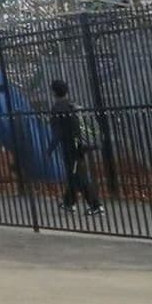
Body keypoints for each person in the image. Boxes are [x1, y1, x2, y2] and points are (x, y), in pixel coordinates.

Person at [48, 79, 103, 217]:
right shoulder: (73, 106)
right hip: (80, 146)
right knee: (74, 174)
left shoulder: (57, 109)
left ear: (54, 92)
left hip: (70, 147)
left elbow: (58, 133)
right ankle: (68, 202)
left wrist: (50, 149)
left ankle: (96, 205)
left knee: (80, 176)